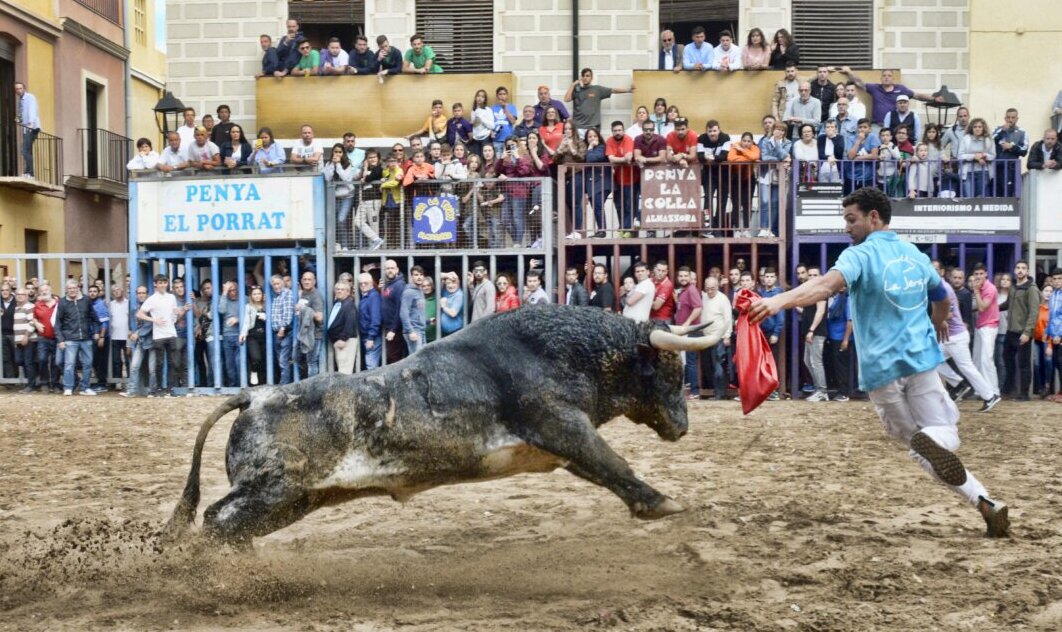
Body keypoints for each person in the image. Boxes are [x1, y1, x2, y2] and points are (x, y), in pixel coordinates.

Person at [750, 187, 1010, 537]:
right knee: (939, 435)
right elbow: (941, 297)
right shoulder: (914, 254)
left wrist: (778, 301)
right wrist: (936, 323)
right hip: (920, 360)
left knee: (915, 445)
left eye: (851, 219)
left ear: (874, 218)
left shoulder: (859, 255)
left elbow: (826, 286)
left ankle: (980, 499)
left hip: (881, 371)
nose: (846, 227)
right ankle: (976, 490)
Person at [837, 67, 941, 128]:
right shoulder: (875, 88)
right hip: (877, 126)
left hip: (893, 126)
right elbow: (859, 82)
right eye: (884, 75)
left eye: (889, 75)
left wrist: (933, 98)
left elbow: (917, 95)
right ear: (881, 78)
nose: (886, 77)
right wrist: (849, 72)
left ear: (893, 78)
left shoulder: (901, 89)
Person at [137, 275, 179, 397]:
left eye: (164, 282)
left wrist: (179, 311)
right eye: (159, 283)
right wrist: (153, 319)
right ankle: (159, 388)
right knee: (159, 363)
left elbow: (174, 313)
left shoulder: (171, 297)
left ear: (167, 284)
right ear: (155, 284)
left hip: (171, 333)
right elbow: (139, 314)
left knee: (172, 363)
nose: (162, 285)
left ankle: (170, 389)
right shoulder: (152, 299)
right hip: (159, 335)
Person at [55, 280, 97, 396]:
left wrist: (96, 332)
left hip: (86, 337)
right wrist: (61, 340)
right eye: (70, 288)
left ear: (78, 288)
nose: (72, 290)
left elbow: (94, 317)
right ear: (66, 290)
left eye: (74, 288)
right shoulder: (62, 302)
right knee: (69, 364)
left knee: (88, 364)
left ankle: (85, 387)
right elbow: (58, 323)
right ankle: (68, 387)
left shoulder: (86, 300)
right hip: (70, 338)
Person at [565, 67, 633, 136]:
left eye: (587, 76)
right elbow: (566, 99)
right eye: (583, 76)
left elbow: (613, 90)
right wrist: (573, 85)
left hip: (592, 126)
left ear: (591, 78)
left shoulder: (597, 89)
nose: (585, 78)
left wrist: (628, 90)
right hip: (578, 127)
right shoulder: (577, 90)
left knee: (593, 146)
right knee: (579, 146)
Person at [968, 263, 1001, 402]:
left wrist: (975, 291)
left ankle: (994, 391)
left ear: (986, 274)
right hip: (980, 325)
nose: (979, 276)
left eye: (981, 274)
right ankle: (980, 390)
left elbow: (982, 307)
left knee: (986, 359)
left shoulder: (990, 288)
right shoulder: (979, 288)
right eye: (976, 274)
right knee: (976, 359)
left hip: (990, 326)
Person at [799, 266, 829, 401]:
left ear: (820, 276)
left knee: (816, 361)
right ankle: (819, 389)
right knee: (807, 360)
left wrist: (811, 330)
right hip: (810, 332)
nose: (811, 277)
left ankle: (822, 391)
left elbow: (820, 311)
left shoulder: (821, 291)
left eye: (815, 275)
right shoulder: (811, 292)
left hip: (816, 332)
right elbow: (808, 311)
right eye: (810, 275)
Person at [673, 266, 703, 398]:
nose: (683, 278)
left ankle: (695, 391)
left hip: (690, 330)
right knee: (684, 361)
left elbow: (698, 308)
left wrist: (687, 323)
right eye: (681, 276)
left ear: (690, 277)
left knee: (690, 362)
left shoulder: (692, 290)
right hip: (683, 330)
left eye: (686, 276)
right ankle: (689, 390)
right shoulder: (683, 291)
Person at [758, 120, 791, 238]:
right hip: (765, 175)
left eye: (782, 130)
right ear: (773, 129)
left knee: (775, 202)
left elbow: (784, 155)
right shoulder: (766, 141)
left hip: (779, 177)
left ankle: (771, 229)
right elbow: (764, 157)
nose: (780, 132)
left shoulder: (787, 143)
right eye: (778, 129)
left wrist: (777, 144)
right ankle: (763, 228)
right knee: (765, 202)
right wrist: (779, 160)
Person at [606, 121, 638, 235]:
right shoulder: (609, 140)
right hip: (616, 179)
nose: (617, 133)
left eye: (619, 130)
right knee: (619, 204)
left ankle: (627, 228)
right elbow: (610, 159)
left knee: (629, 204)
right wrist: (622, 160)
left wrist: (617, 160)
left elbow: (629, 158)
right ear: (612, 131)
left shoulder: (628, 139)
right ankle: (623, 226)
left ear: (623, 130)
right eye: (615, 131)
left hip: (630, 177)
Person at [726, 132, 761, 237]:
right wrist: (747, 159)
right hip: (735, 178)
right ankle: (736, 229)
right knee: (736, 203)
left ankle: (746, 229)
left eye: (748, 141)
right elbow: (730, 158)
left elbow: (755, 156)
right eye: (744, 141)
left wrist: (742, 151)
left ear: (752, 142)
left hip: (748, 178)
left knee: (747, 203)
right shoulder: (735, 146)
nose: (746, 143)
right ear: (741, 140)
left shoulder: (754, 148)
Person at [324, 143, 357, 251]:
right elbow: (328, 178)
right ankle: (340, 244)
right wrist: (333, 165)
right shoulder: (328, 164)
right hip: (336, 197)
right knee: (335, 221)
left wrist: (338, 164)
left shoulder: (347, 164)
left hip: (347, 196)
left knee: (341, 219)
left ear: (343, 153)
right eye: (335, 152)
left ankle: (346, 246)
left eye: (340, 152)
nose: (337, 154)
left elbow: (346, 178)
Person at [823, 289, 852, 402]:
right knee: (835, 365)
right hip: (833, 337)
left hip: (841, 338)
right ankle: (839, 390)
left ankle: (844, 393)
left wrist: (845, 340)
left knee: (841, 366)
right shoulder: (836, 298)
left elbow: (850, 321)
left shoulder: (848, 299)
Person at [992, 108, 1027, 196]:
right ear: (1005, 118)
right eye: (1008, 117)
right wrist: (1002, 131)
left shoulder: (1022, 132)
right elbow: (991, 142)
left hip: (1012, 169)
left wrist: (1012, 147)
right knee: (996, 195)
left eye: (1013, 117)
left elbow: (1024, 151)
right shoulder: (998, 129)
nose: (1010, 120)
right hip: (998, 167)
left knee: (1009, 195)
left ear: (1017, 119)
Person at [238, 285, 268, 385]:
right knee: (256, 357)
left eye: (259, 293)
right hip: (253, 336)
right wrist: (243, 334)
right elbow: (246, 322)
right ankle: (253, 372)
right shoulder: (248, 307)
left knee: (265, 360)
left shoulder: (267, 305)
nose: (257, 296)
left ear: (262, 295)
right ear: (251, 296)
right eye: (254, 294)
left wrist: (267, 317)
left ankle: (263, 383)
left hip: (266, 336)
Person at [326, 280, 358, 373]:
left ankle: (345, 388)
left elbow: (350, 322)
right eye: (337, 289)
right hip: (340, 341)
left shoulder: (349, 305)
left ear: (348, 292)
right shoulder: (338, 303)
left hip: (345, 341)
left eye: (342, 290)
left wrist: (343, 339)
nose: (339, 291)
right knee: (342, 368)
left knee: (345, 371)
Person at [958, 118, 995, 198]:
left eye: (979, 127)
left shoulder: (988, 140)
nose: (977, 129)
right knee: (968, 198)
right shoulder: (966, 139)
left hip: (983, 172)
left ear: (983, 128)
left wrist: (983, 156)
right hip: (968, 172)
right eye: (975, 127)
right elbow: (960, 155)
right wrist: (974, 157)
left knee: (980, 198)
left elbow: (992, 155)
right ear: (972, 128)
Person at [380, 260, 407, 364]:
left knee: (393, 357)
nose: (390, 270)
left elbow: (399, 308)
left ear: (397, 270)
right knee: (392, 356)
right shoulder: (389, 284)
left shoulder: (399, 285)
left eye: (392, 268)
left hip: (396, 329)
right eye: (387, 268)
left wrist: (393, 329)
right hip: (389, 328)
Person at [12, 286, 38, 392]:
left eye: (22, 295)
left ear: (26, 296)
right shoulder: (16, 308)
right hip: (19, 341)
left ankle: (31, 385)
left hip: (29, 339)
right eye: (18, 295)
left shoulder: (30, 306)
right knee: (19, 361)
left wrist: (26, 335)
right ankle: (33, 381)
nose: (19, 297)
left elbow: (33, 322)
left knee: (28, 362)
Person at [844, 119, 880, 194]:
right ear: (857, 129)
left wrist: (858, 158)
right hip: (851, 175)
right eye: (860, 127)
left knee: (867, 200)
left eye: (865, 127)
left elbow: (874, 156)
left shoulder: (872, 137)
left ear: (870, 129)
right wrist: (858, 141)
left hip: (868, 176)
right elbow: (850, 157)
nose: (862, 129)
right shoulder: (851, 138)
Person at [217, 280, 241, 387]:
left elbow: (250, 314)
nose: (232, 293)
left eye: (234, 290)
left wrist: (238, 319)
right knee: (229, 364)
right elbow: (221, 310)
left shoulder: (244, 299)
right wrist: (224, 293)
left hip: (240, 335)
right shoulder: (223, 298)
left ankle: (242, 385)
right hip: (227, 335)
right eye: (229, 290)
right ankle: (232, 386)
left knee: (239, 362)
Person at [438, 272, 464, 338]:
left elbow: (453, 313)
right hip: (445, 333)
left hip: (456, 332)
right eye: (448, 283)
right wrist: (447, 275)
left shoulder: (459, 295)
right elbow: (437, 276)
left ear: (458, 284)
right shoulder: (446, 291)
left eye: (453, 283)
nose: (451, 285)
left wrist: (443, 306)